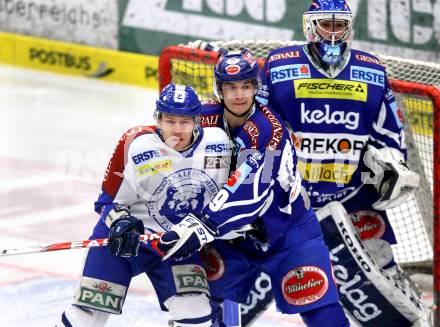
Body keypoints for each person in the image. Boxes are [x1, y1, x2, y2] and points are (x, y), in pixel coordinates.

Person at [254, 0, 429, 325]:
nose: (333, 32)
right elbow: (261, 123)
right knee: (262, 273)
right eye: (326, 24)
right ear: (310, 25)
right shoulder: (279, 65)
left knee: (379, 260)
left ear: (349, 27)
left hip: (352, 191)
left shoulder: (372, 70)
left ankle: (409, 318)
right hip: (295, 196)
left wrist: (393, 162)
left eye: (339, 25)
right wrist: (263, 179)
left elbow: (390, 128)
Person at [158, 49, 349, 327]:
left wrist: (200, 226)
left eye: (246, 86)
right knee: (204, 311)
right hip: (230, 238)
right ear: (219, 88)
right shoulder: (203, 118)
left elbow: (252, 194)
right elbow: (162, 150)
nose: (239, 95)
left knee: (324, 314)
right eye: (231, 87)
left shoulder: (269, 131)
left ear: (255, 87)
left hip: (287, 231)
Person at [57, 84, 232, 327]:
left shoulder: (219, 143)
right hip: (125, 242)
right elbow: (106, 202)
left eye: (184, 122)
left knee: (196, 313)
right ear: (158, 119)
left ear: (197, 121)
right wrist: (120, 222)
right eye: (170, 121)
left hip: (176, 243)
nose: (177, 130)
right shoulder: (136, 143)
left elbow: (233, 192)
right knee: (87, 316)